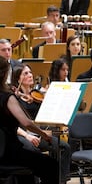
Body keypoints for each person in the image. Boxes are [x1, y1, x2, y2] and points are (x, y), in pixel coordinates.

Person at [0, 56, 59, 184]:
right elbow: (26, 122)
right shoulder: (7, 97)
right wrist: (44, 134)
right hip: (7, 152)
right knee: (51, 165)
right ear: (5, 74)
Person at [11, 64, 71, 183]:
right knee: (34, 152)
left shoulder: (37, 95)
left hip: (39, 132)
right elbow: (14, 124)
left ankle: (61, 180)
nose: (30, 75)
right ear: (18, 79)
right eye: (25, 73)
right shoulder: (14, 99)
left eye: (30, 72)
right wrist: (27, 135)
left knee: (64, 147)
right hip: (23, 135)